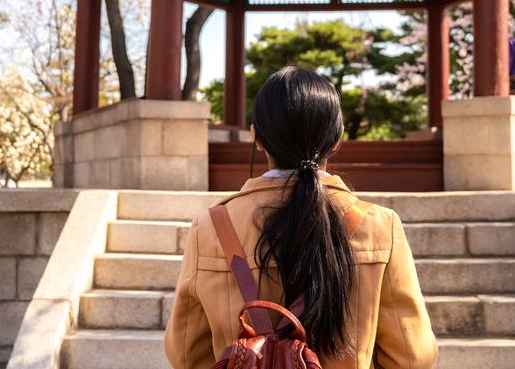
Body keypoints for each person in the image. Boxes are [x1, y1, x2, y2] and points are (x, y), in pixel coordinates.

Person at [164, 66, 437, 369]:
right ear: (337, 139)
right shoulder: (379, 225)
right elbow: (411, 356)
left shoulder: (212, 226)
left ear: (256, 137)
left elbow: (185, 353)